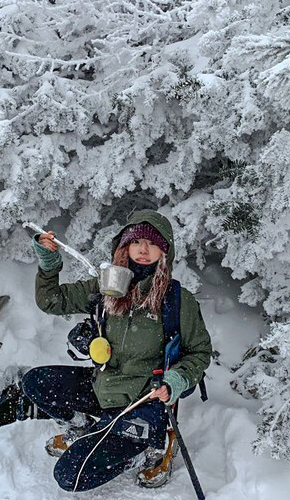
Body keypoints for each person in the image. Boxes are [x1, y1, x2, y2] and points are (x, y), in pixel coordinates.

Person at [21, 209, 212, 492]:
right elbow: (51, 301)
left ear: (165, 251)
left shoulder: (176, 300)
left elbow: (200, 352)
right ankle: (85, 426)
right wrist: (49, 264)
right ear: (125, 246)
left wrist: (175, 381)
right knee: (35, 381)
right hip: (104, 388)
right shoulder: (107, 285)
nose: (144, 250)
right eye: (136, 242)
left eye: (153, 243)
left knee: (69, 476)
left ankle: (146, 449)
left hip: (143, 402)